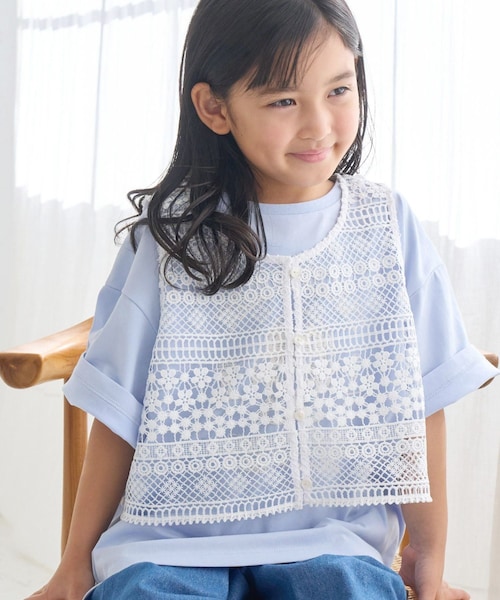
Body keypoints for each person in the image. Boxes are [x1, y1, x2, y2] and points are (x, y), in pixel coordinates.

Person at [28, 0, 498, 599]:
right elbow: (119, 411)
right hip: (166, 546)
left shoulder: (387, 227)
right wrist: (73, 565)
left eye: (339, 90)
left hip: (335, 544)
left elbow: (421, 401)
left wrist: (427, 557)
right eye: (283, 101)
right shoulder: (169, 240)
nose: (319, 125)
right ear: (215, 108)